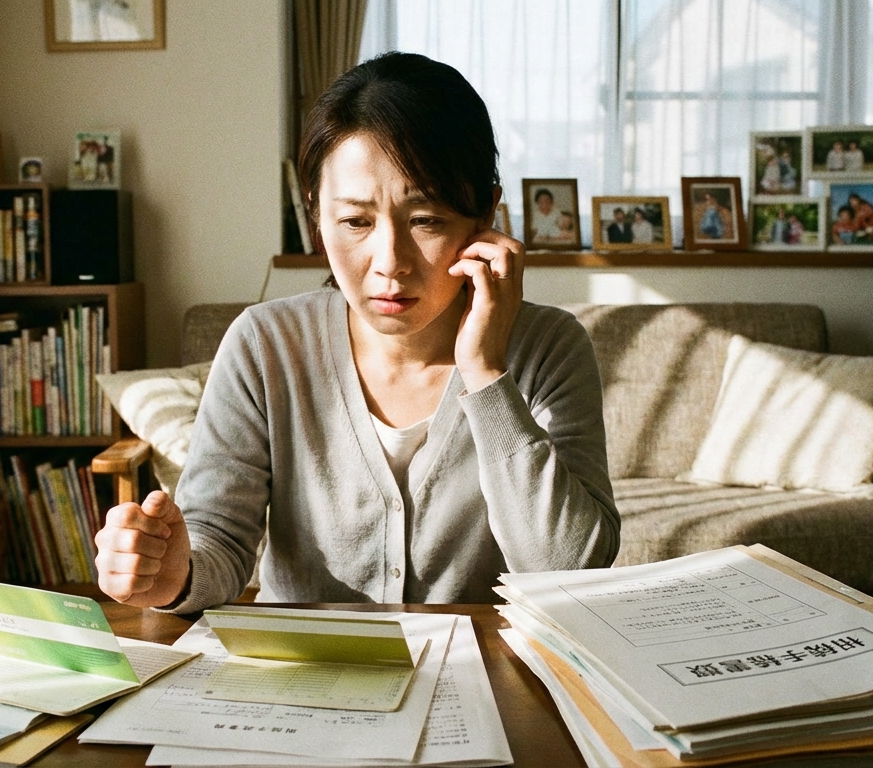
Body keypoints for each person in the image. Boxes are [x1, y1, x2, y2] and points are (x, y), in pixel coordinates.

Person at [94, 52, 620, 612]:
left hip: (481, 675)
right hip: (306, 676)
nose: (389, 262)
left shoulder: (550, 348)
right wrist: (174, 571)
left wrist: (488, 376)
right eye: (355, 222)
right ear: (316, 214)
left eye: (426, 220)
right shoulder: (264, 344)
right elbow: (218, 541)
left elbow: (570, 572)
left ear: (485, 214)